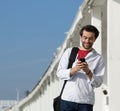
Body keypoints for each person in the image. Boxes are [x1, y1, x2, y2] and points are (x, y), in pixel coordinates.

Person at [56, 25, 105, 111]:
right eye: (85, 38)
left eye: (90, 38)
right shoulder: (69, 52)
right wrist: (74, 69)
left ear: (95, 39)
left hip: (86, 102)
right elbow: (59, 73)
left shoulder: (98, 58)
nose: (87, 41)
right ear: (81, 37)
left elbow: (98, 83)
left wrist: (88, 72)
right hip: (68, 100)